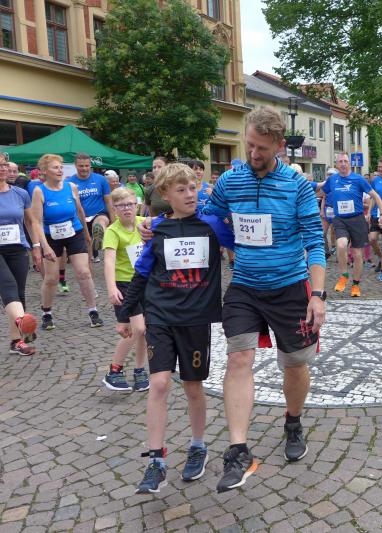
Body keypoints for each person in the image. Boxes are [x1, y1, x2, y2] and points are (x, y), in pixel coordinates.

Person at [201, 106, 326, 492]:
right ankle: (238, 450)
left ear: (279, 145)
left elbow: (315, 241)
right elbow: (208, 217)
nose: (253, 153)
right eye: (249, 145)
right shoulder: (230, 181)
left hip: (290, 286)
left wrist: (318, 295)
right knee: (239, 358)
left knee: (294, 363)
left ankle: (293, 421)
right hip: (244, 285)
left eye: (262, 148)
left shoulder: (297, 185)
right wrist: (158, 225)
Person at [118, 163, 234, 494]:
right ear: (165, 195)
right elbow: (142, 272)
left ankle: (198, 445)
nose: (189, 194)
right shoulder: (157, 228)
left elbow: (244, 244)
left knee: (194, 386)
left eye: (193, 188)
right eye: (181, 190)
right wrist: (125, 314)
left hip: (195, 319)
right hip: (160, 316)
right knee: (159, 383)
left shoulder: (211, 224)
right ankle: (155, 461)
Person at [30, 154, 103, 330]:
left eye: (61, 167)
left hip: (74, 232)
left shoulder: (71, 187)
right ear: (45, 171)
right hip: (51, 236)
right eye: (55, 167)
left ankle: (93, 311)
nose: (60, 170)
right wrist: (44, 246)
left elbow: (80, 211)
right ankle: (47, 313)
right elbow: (36, 222)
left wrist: (87, 234)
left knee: (83, 272)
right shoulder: (39, 191)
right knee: (51, 278)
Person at [102, 187, 149, 392]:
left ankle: (140, 370)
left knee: (145, 331)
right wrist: (111, 288)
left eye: (130, 204)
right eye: (121, 206)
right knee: (137, 328)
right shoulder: (113, 231)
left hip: (145, 282)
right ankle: (114, 370)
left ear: (136, 205)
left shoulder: (144, 223)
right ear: (114, 209)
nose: (126, 209)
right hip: (125, 285)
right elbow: (109, 261)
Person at [321, 153, 382, 297]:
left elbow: (375, 196)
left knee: (357, 254)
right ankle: (344, 275)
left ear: (349, 163)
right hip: (340, 219)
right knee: (341, 245)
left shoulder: (358, 179)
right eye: (340, 161)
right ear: (337, 164)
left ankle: (355, 285)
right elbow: (321, 191)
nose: (343, 164)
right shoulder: (332, 179)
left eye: (345, 161)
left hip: (357, 219)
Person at [0, 154, 39, 356]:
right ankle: (23, 321)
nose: (2, 168)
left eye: (4, 165)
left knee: (18, 293)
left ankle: (16, 341)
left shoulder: (20, 193)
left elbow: (31, 222)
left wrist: (37, 247)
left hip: (17, 248)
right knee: (8, 286)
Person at [66, 153, 114, 263]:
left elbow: (108, 201)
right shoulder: (68, 183)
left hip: (99, 213)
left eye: (87, 165)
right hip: (79, 219)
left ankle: (99, 234)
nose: (84, 168)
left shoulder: (101, 179)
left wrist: (113, 221)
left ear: (90, 165)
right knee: (87, 255)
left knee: (100, 222)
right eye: (81, 166)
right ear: (75, 165)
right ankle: (90, 257)